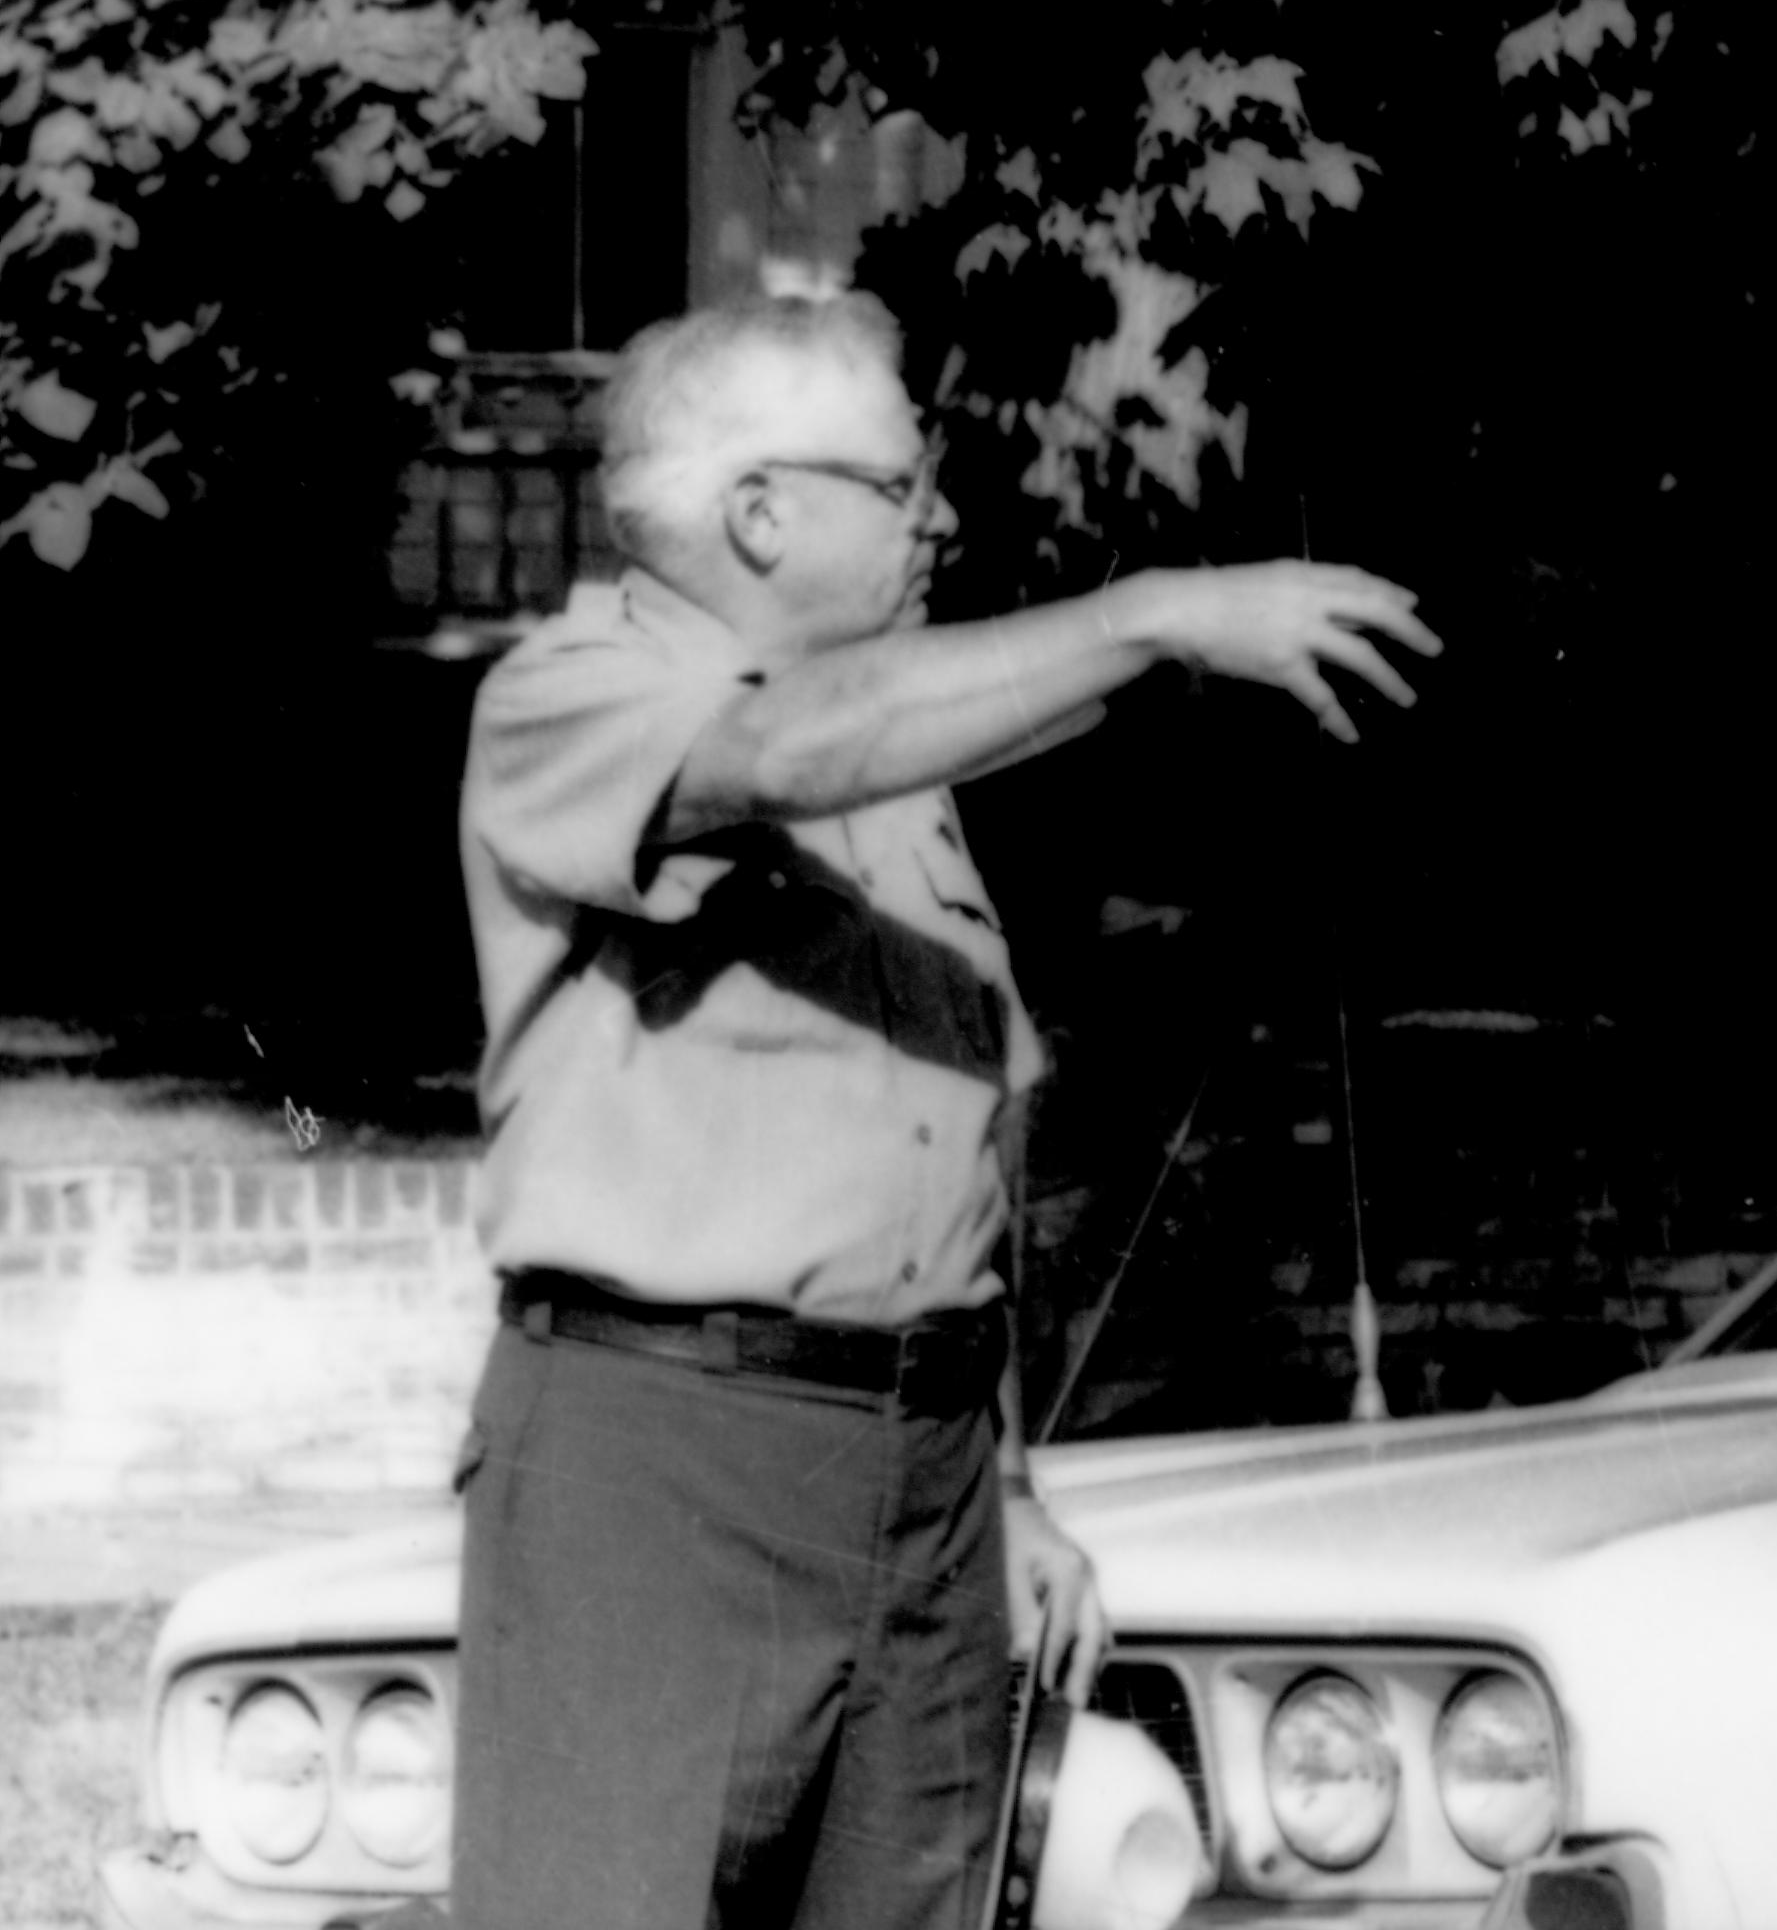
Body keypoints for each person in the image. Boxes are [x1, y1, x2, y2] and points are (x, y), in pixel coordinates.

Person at [449, 291, 1439, 1929]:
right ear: (758, 510)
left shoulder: (901, 759)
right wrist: (1156, 613)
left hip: (921, 1480)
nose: (942, 513)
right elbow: (778, 749)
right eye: (900, 484)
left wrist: (1009, 1490)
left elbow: (953, 1153)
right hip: (673, 1462)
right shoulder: (575, 690)